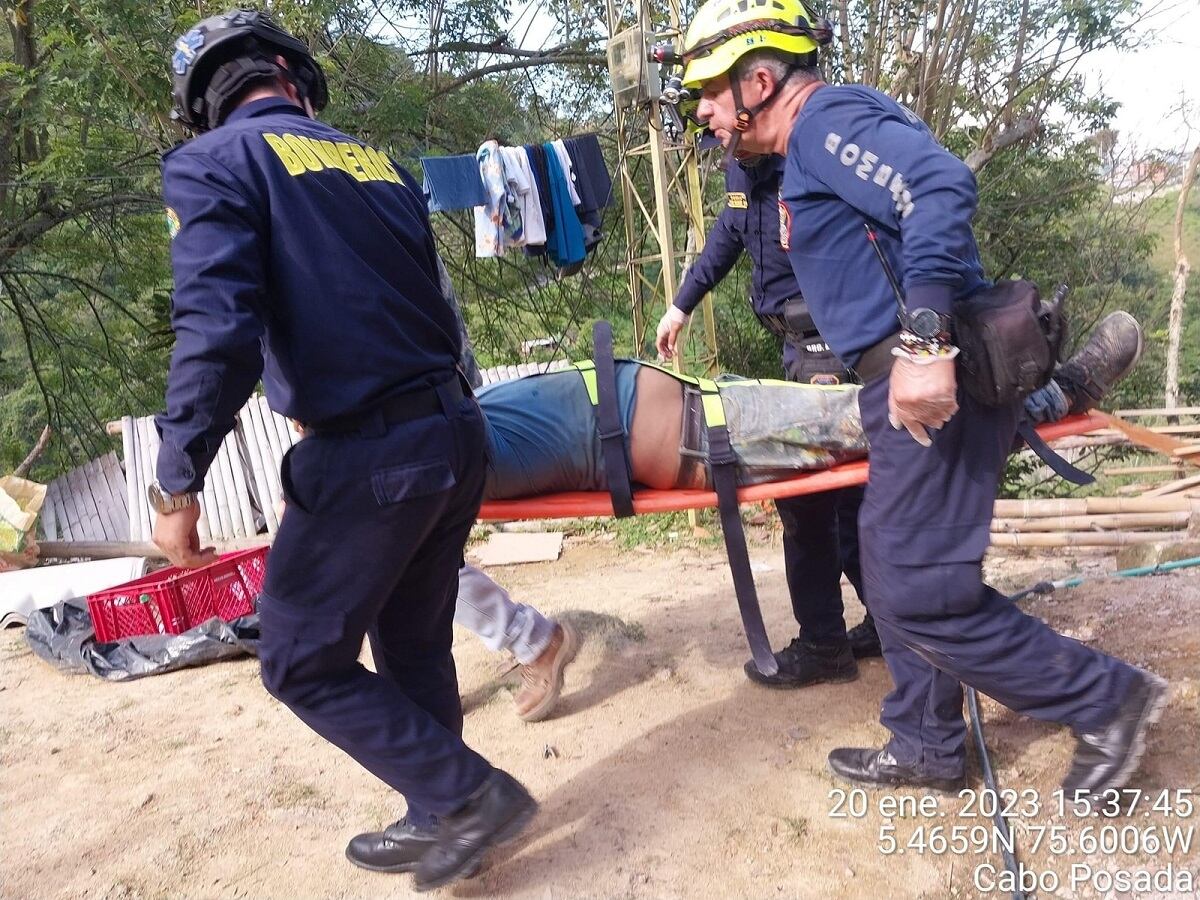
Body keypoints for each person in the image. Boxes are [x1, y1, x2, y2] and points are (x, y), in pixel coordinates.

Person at [677, 0, 1165, 798]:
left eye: (709, 93)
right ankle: (926, 743)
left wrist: (927, 343)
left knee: (918, 590)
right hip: (898, 388)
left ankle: (1108, 699)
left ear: (758, 82)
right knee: (900, 567)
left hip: (932, 384)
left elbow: (937, 184)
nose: (703, 112)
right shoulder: (805, 147)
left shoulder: (826, 122)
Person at [151, 11, 535, 889]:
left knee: (298, 659)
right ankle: (442, 810)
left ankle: (469, 797)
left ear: (206, 103)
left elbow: (218, 332)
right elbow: (427, 310)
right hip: (452, 432)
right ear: (291, 75)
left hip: (370, 454)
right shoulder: (381, 168)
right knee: (413, 644)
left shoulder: (214, 163)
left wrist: (177, 483)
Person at [655, 151, 879, 692]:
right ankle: (890, 621)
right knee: (846, 498)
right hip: (794, 346)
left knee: (815, 499)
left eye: (720, 108)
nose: (715, 125)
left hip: (834, 344)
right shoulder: (741, 161)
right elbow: (731, 232)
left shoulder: (812, 154)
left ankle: (831, 643)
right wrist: (682, 305)